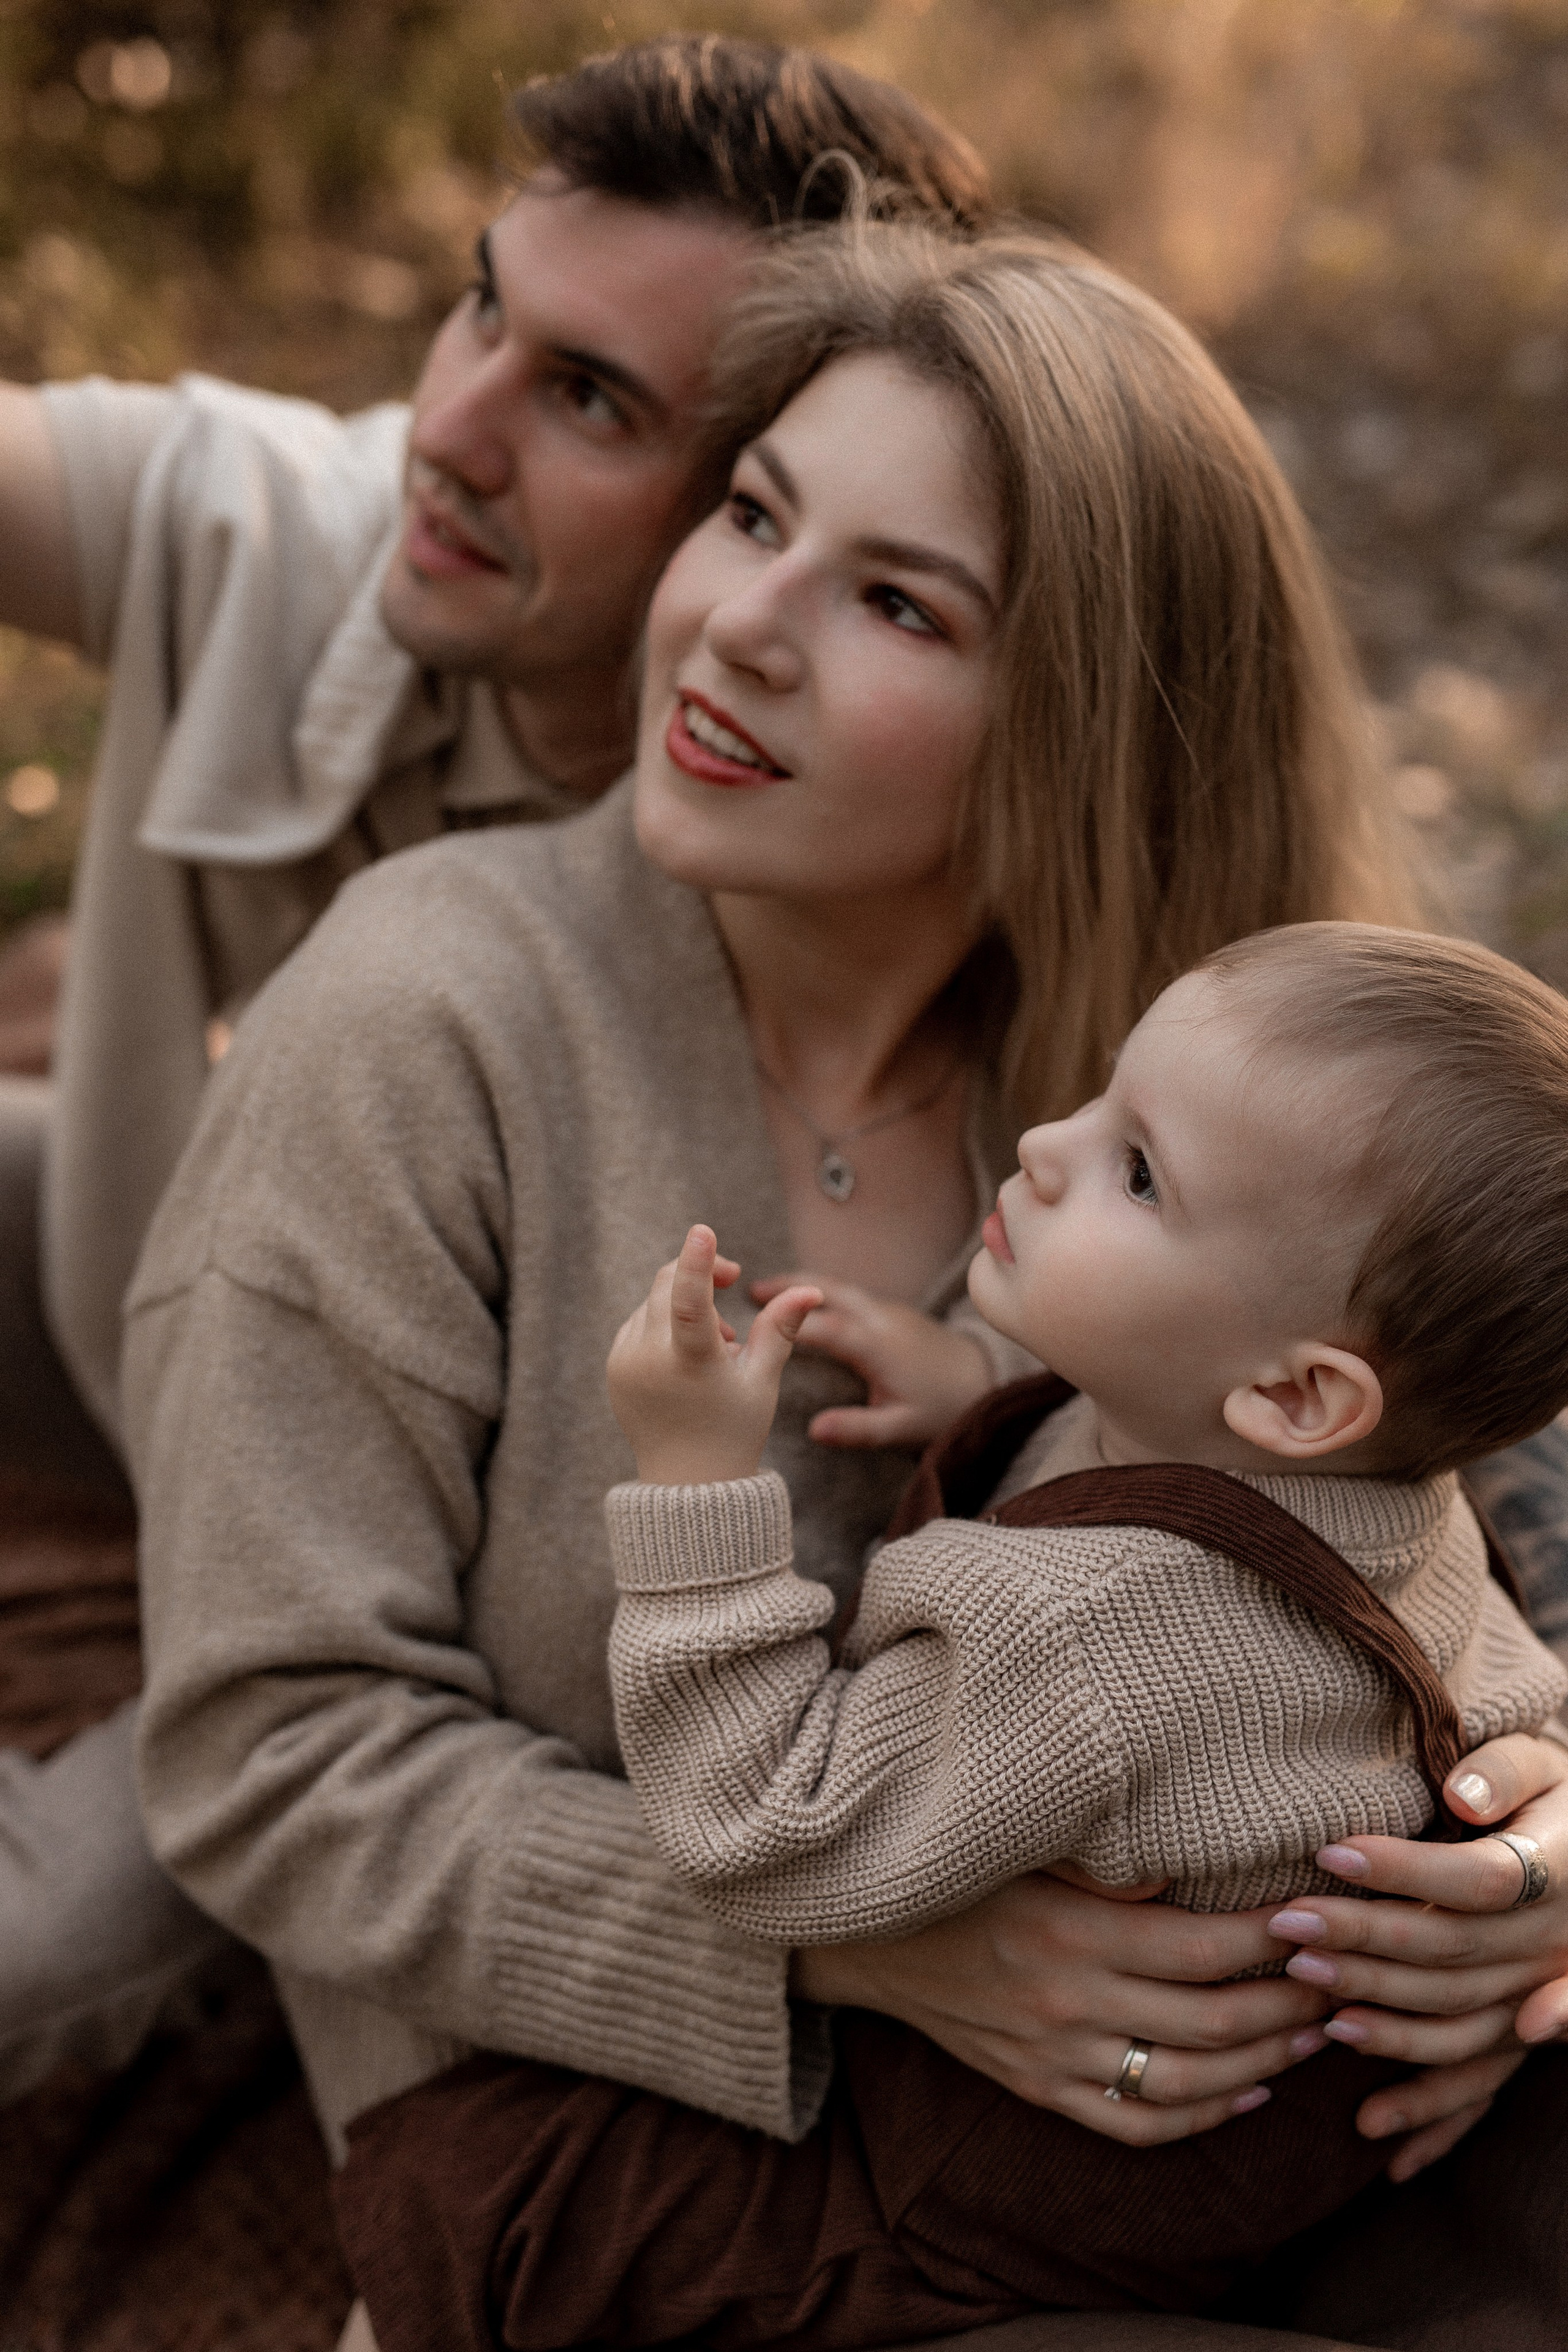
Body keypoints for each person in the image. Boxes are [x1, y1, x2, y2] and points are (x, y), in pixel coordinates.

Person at [126, 218, 1568, 2352]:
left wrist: (1534, 1880)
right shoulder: (426, 1024)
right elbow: (267, 1760)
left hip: (1236, 2156)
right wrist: (835, 1953)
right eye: (751, 515)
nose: (736, 628)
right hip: (650, 2175)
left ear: (1081, 723)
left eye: (897, 601)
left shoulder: (1228, 1088)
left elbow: (1497, 1507)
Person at [0, 36, 992, 2103]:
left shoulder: (931, 922)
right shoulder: (316, 532)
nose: (448, 430)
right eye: (481, 305)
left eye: (591, 402)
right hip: (167, 1307)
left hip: (371, 1555)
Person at [328, 919, 1568, 2346]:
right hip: (1247, 2161)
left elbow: (765, 1822)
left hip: (976, 2202)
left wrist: (693, 1480)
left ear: (1297, 1399)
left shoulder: (1081, 1636)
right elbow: (1215, 1417)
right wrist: (981, 1374)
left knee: (480, 2204)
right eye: (1103, 1096)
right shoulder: (1399, 1500)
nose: (1046, 1142)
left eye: (1139, 1172)